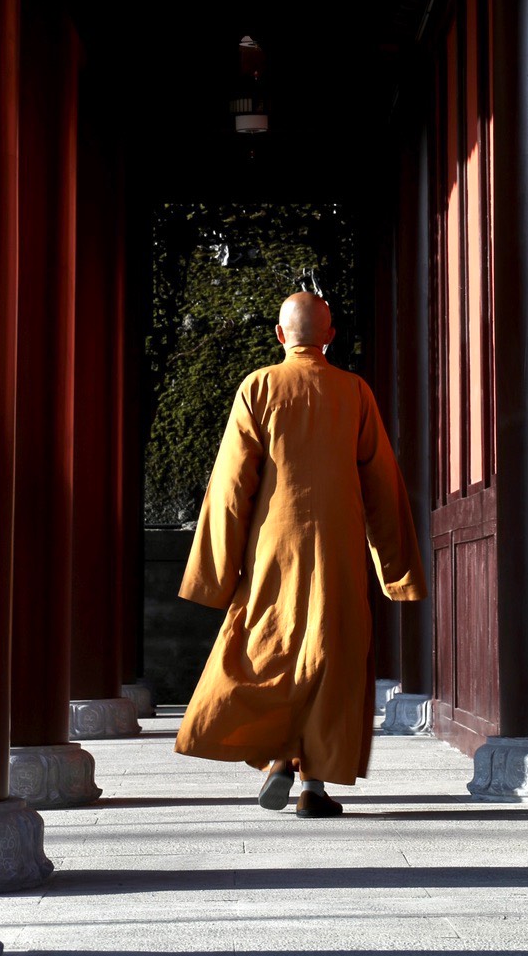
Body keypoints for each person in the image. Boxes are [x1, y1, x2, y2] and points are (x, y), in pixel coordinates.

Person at [174, 291, 428, 818]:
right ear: (329, 336)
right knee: (332, 653)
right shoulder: (354, 391)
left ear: (279, 335)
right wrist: (396, 566)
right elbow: (382, 484)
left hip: (275, 543)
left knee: (269, 645)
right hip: (337, 542)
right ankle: (312, 783)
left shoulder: (259, 387)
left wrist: (216, 569)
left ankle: (277, 761)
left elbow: (230, 485)